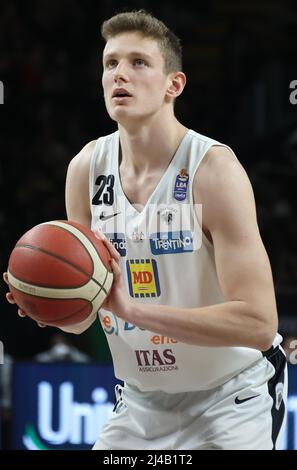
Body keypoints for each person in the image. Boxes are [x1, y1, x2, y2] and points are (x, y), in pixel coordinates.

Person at [4, 9, 287, 450]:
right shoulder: (86, 169)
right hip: (138, 404)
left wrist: (133, 310)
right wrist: (50, 301)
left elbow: (256, 321)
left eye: (138, 63)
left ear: (173, 84)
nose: (120, 74)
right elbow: (88, 317)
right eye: (110, 63)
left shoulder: (213, 171)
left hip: (231, 398)